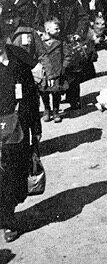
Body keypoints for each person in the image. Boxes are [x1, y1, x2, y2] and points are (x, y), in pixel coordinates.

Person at [0, 37, 41, 242]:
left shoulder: (18, 59)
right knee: (3, 176)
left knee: (16, 173)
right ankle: (8, 222)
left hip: (20, 126)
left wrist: (36, 126)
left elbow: (32, 94)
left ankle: (9, 213)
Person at [35, 0, 89, 112]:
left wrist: (78, 33)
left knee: (72, 70)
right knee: (52, 71)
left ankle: (74, 99)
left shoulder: (72, 2)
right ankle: (52, 105)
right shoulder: (44, 5)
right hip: (51, 42)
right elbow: (37, 23)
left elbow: (83, 18)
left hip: (68, 39)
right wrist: (45, 33)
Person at [39, 18, 71, 123]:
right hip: (44, 72)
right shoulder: (40, 42)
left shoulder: (61, 41)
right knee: (44, 92)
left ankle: (56, 111)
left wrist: (64, 67)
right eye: (56, 29)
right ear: (47, 30)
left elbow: (68, 55)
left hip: (57, 71)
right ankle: (47, 109)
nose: (59, 31)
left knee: (56, 92)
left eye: (59, 29)